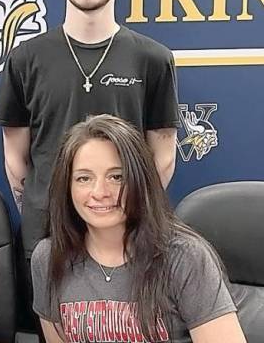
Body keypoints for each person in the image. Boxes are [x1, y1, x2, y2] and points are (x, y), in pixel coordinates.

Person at [0, 0, 179, 333]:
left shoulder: (153, 59)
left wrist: (120, 214)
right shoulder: (26, 59)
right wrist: (50, 210)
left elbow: (162, 157)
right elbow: (17, 159)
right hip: (47, 241)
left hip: (127, 243)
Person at [31, 114, 246, 343]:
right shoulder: (49, 257)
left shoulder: (185, 257)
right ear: (67, 187)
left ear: (139, 181)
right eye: (84, 178)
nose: (100, 192)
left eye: (116, 177)